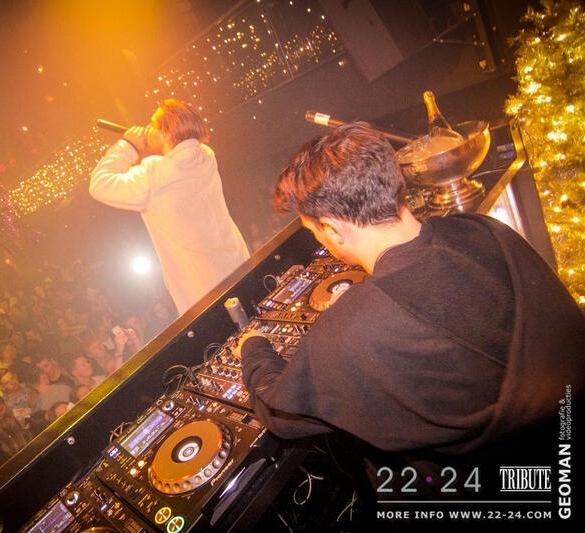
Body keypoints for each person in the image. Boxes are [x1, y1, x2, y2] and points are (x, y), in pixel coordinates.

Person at [236, 123, 585, 513]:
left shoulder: (348, 334)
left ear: (332, 229)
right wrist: (364, 308)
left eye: (313, 230)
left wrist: (254, 348)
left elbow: (281, 412)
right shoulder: (484, 230)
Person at [90, 98, 250, 314]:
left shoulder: (153, 175)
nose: (147, 128)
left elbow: (100, 184)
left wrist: (127, 146)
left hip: (206, 292)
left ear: (167, 133)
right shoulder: (205, 155)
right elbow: (175, 163)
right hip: (239, 266)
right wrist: (153, 147)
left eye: (153, 124)